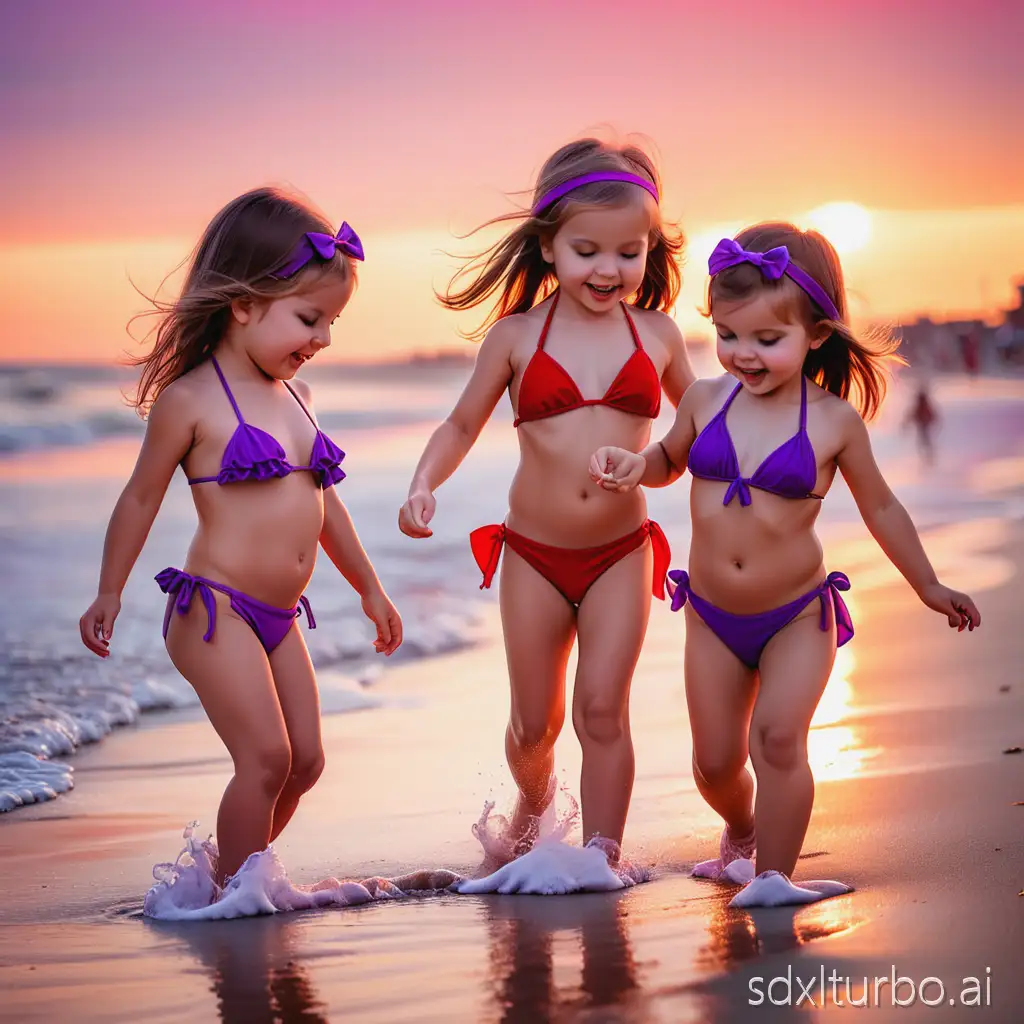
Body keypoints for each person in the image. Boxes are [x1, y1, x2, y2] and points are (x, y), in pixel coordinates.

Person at [591, 224, 980, 904]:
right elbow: (667, 460)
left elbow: (882, 509)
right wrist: (635, 466)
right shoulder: (705, 401)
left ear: (817, 334)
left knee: (777, 739)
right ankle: (741, 832)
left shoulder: (832, 422)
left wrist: (928, 584)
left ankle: (773, 878)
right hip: (712, 617)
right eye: (729, 334)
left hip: (796, 616)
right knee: (714, 763)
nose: (743, 354)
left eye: (767, 340)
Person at [79, 188, 402, 888]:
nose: (322, 339)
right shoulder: (191, 401)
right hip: (214, 612)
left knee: (305, 761)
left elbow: (327, 507)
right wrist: (109, 591)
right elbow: (139, 498)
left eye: (331, 322)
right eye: (310, 319)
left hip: (279, 619)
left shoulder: (297, 399)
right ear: (245, 304)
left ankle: (230, 878)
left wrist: (370, 588)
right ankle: (236, 896)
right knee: (265, 759)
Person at [399, 139, 696, 861]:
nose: (609, 269)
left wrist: (653, 468)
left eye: (630, 252)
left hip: (620, 553)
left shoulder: (657, 336)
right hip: (532, 556)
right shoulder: (515, 338)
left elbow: (700, 434)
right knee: (535, 724)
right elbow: (461, 422)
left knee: (602, 709)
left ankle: (600, 857)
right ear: (548, 244)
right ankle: (533, 807)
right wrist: (422, 481)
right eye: (588, 249)